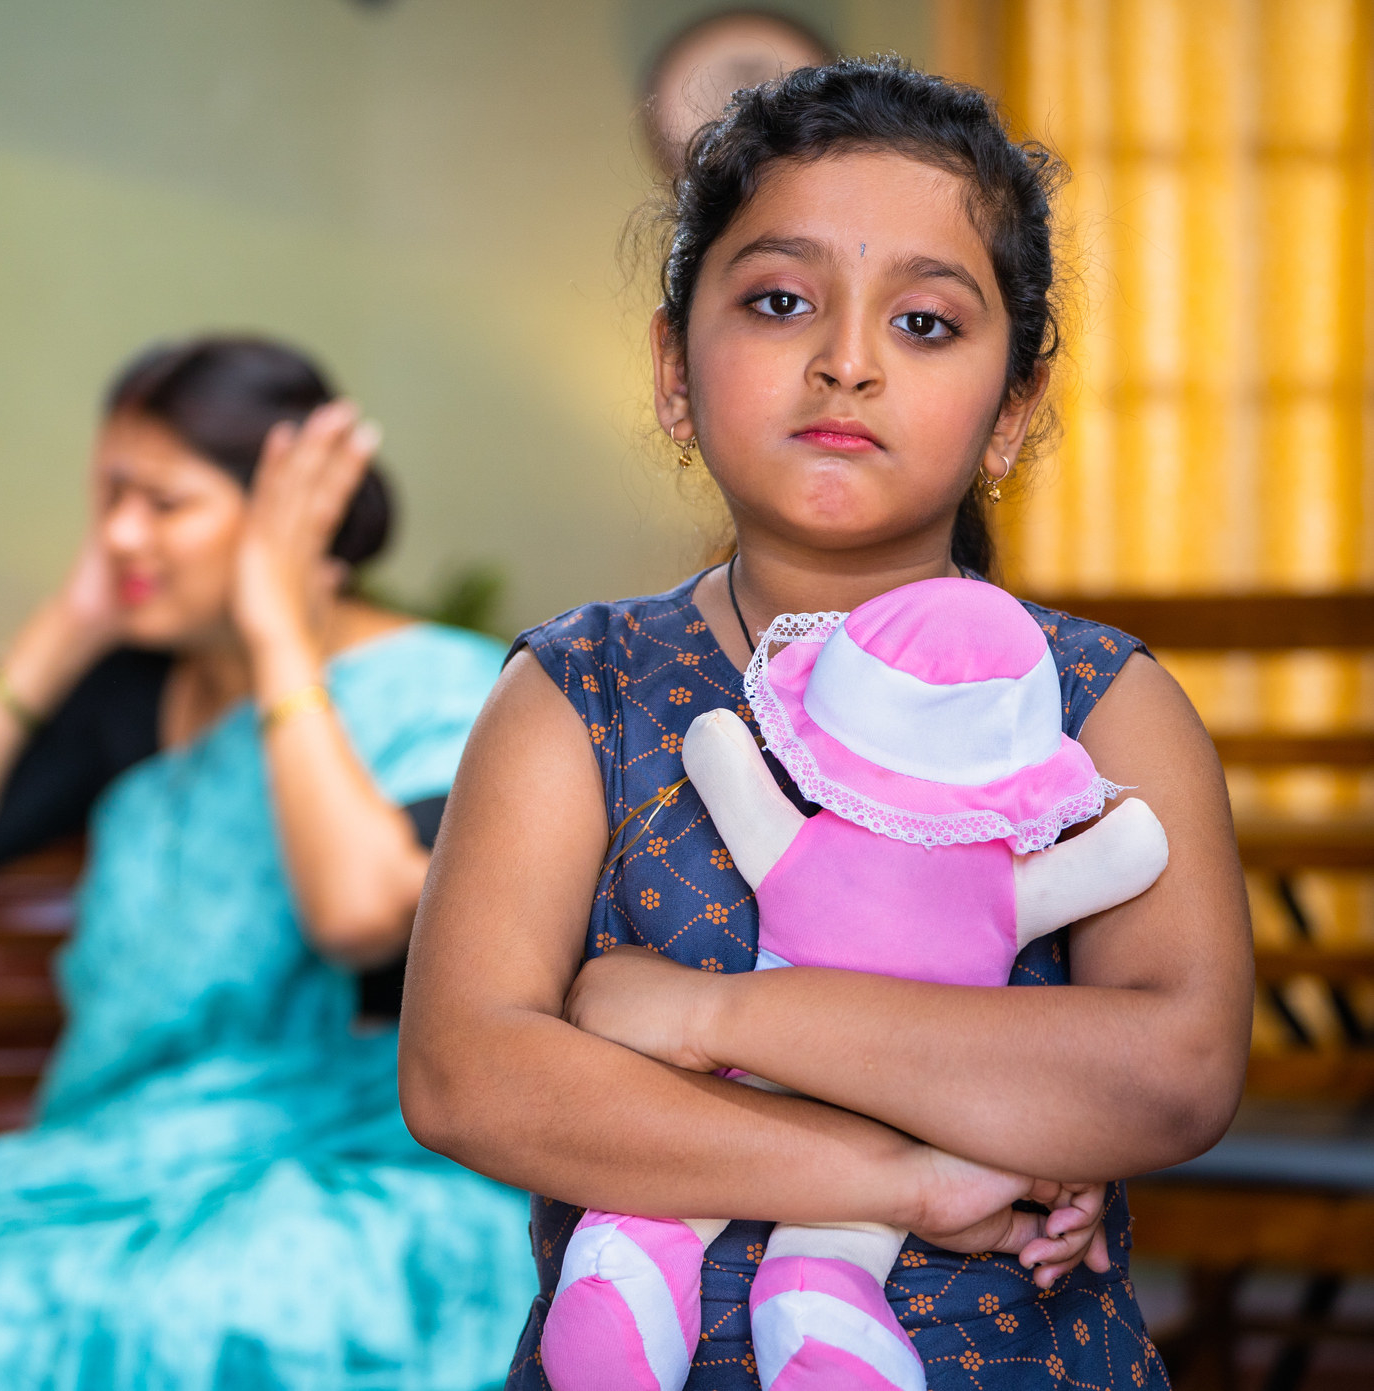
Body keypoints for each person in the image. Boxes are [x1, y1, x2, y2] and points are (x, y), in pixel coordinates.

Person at [398, 60, 1252, 1391]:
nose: (846, 360)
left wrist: (695, 1014)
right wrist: (902, 1174)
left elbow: (1170, 1069)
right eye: (781, 300)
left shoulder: (1104, 699)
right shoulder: (581, 689)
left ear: (1011, 409)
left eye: (924, 323)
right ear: (675, 369)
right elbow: (469, 1071)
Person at [0, 336, 536, 1389]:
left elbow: (357, 910)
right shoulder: (139, 690)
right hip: (122, 1157)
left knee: (180, 1306)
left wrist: (276, 640)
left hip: (359, 1171)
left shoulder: (448, 692)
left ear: (279, 517)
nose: (120, 532)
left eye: (160, 503)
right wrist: (73, 615)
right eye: (106, 497)